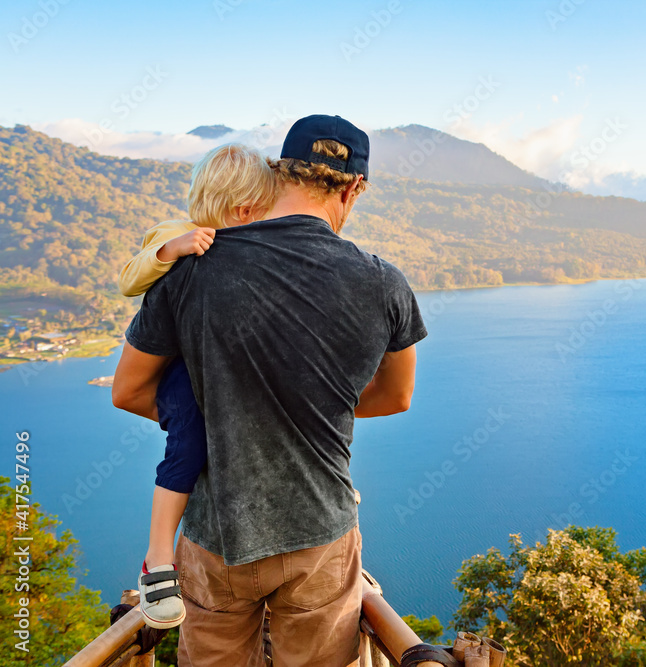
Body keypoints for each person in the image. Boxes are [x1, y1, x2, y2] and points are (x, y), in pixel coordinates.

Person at [112, 114, 427, 666]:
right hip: (320, 532)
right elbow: (396, 397)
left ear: (280, 174)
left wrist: (216, 420)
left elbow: (130, 391)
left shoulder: (190, 267)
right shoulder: (384, 282)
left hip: (215, 536)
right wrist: (311, 411)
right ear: (355, 188)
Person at [117, 143, 277, 629]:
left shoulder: (254, 246)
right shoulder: (175, 233)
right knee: (187, 444)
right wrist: (173, 249)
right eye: (260, 212)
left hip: (223, 369)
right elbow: (128, 279)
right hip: (183, 372)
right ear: (244, 208)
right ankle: (158, 558)